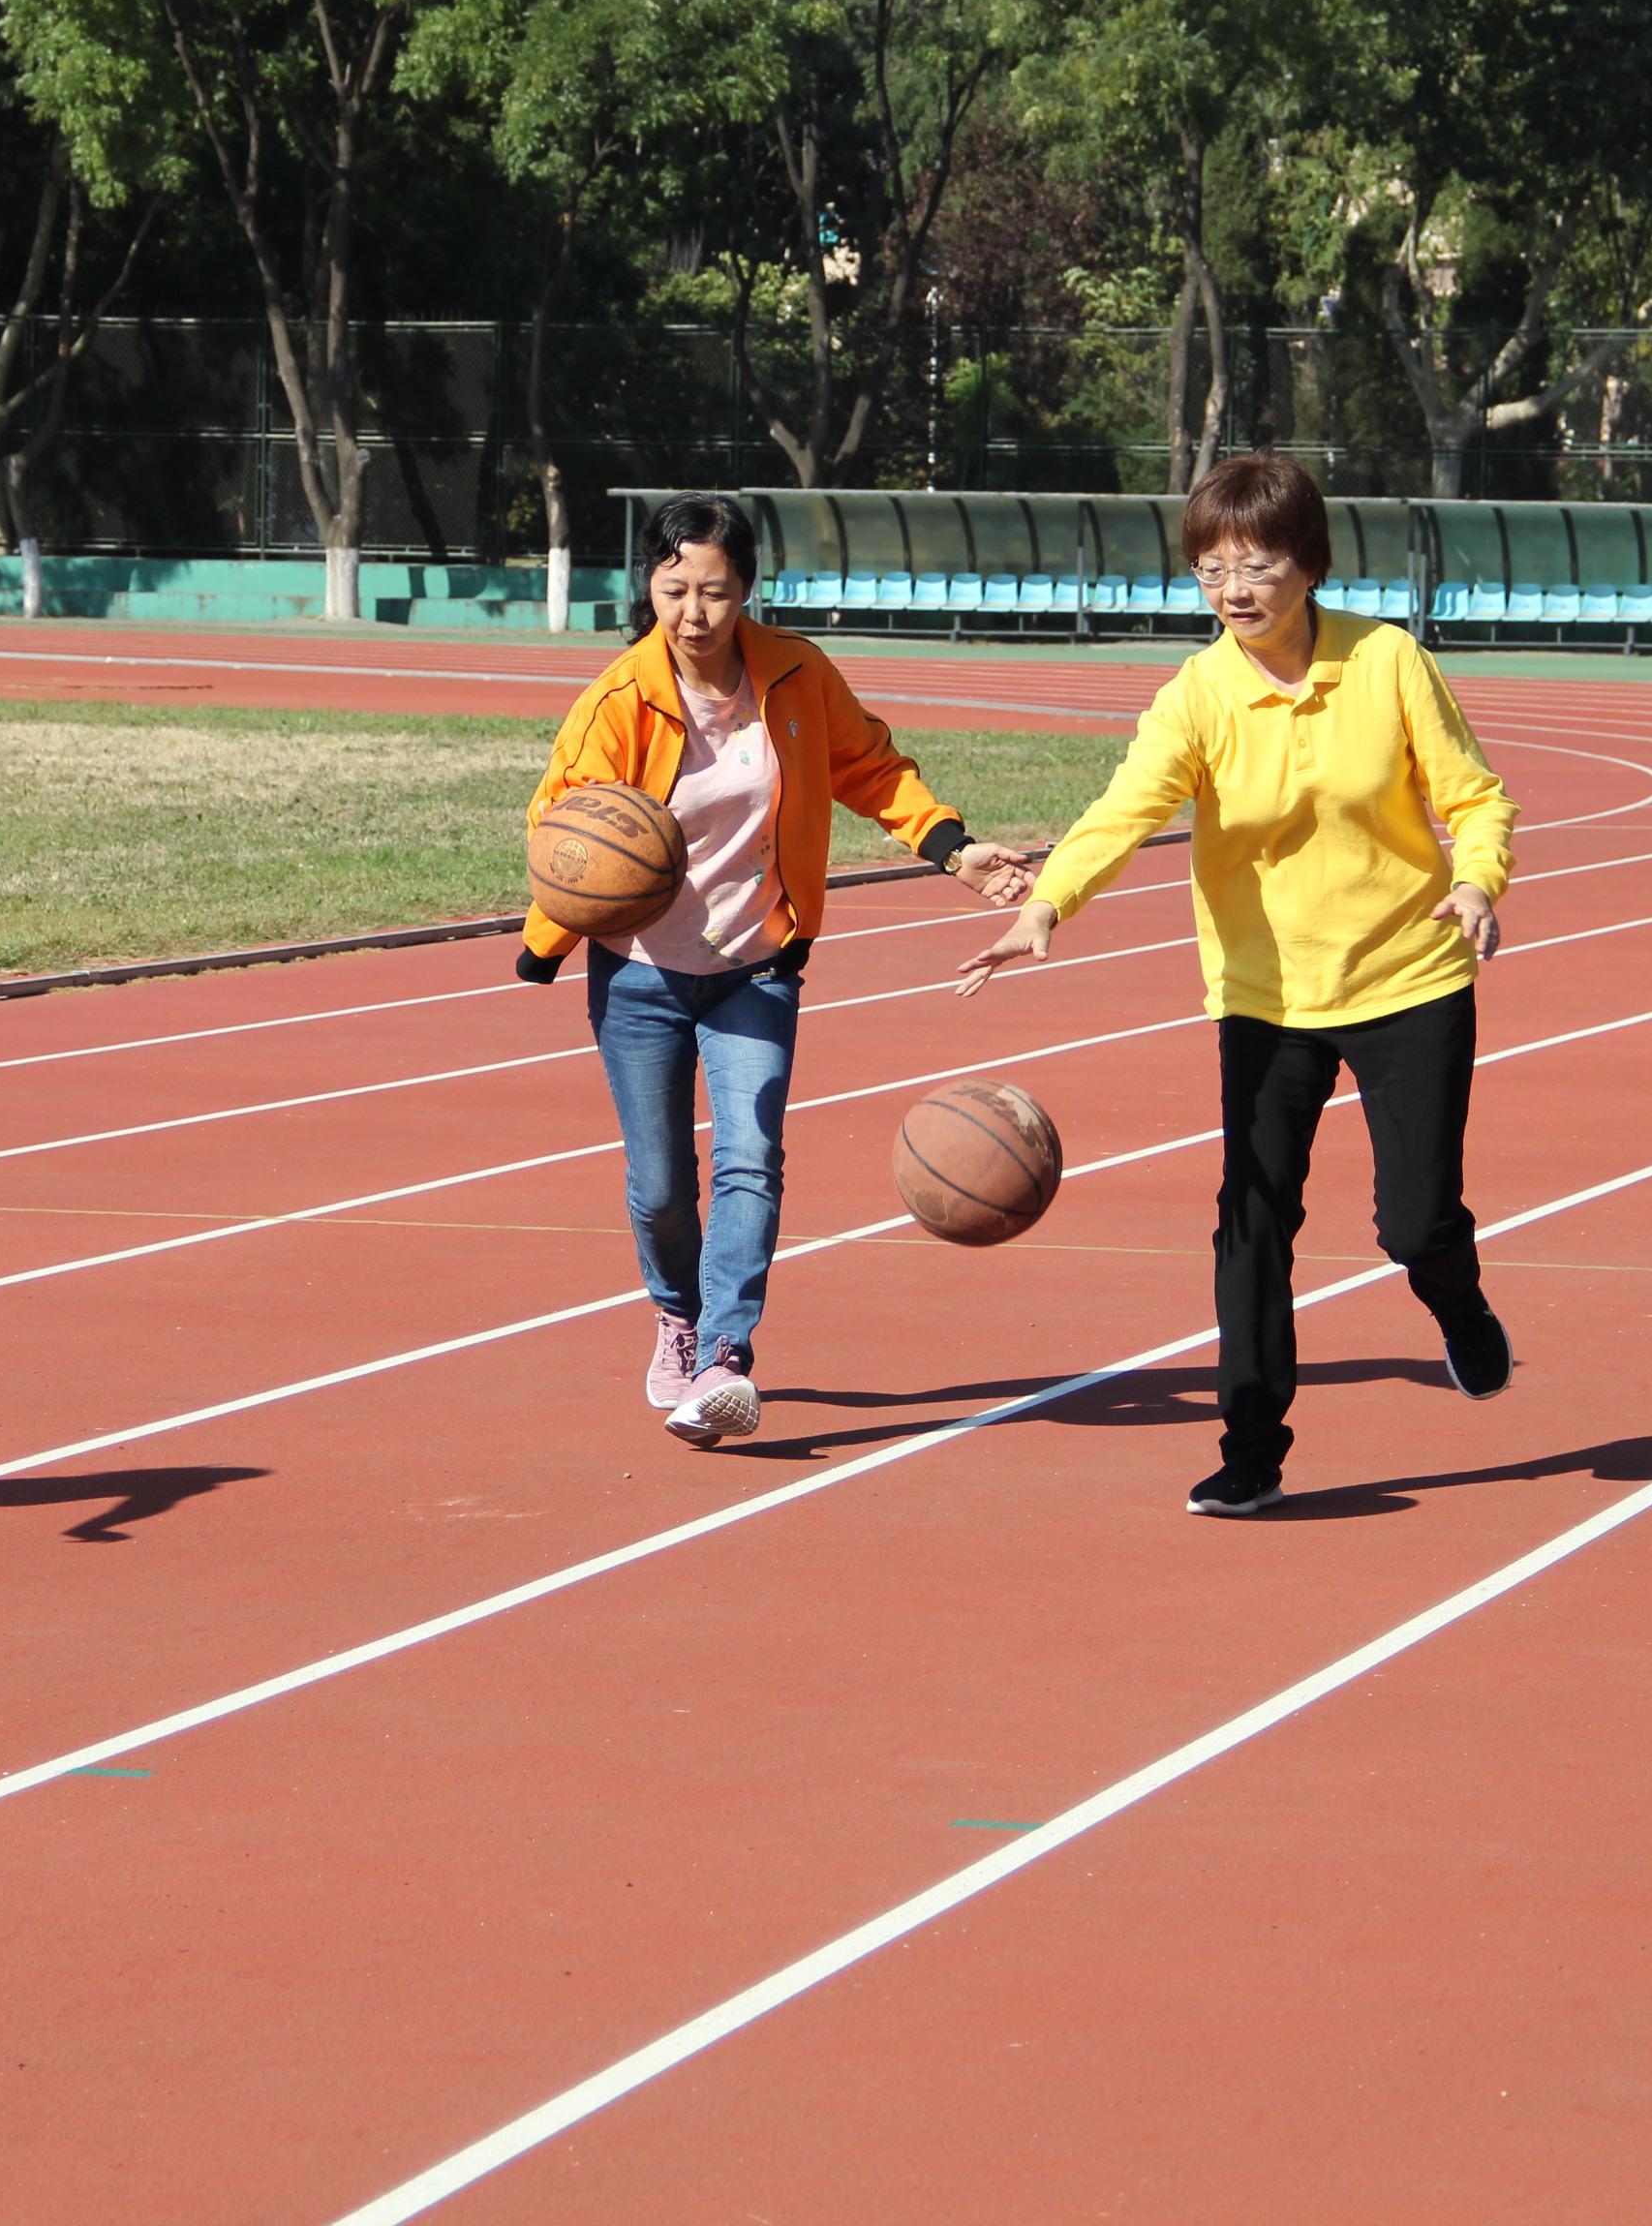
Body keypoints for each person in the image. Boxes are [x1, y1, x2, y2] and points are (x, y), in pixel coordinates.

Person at [959, 453, 1519, 1514]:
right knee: (1251, 1218)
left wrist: (1477, 881)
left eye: (1256, 564)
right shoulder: (1199, 695)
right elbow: (1127, 809)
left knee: (1415, 1225)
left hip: (1408, 976)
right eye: (1211, 568)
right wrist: (1048, 904)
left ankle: (1457, 1301)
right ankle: (1251, 1448)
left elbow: (1477, 799)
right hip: (1266, 998)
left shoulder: (1388, 661)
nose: (1233, 589)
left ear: (1308, 564)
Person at [519, 493, 1033, 1447]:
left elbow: (870, 768)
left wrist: (953, 849)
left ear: (749, 589)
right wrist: (558, 919)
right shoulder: (619, 701)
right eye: (675, 589)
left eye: (715, 591)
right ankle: (676, 1313)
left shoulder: (797, 673)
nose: (694, 613)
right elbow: (564, 825)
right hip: (640, 974)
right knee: (661, 1185)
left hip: (756, 964)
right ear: (650, 587)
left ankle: (723, 1356)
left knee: (750, 1156)